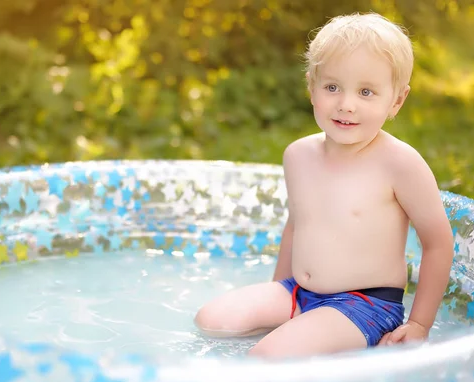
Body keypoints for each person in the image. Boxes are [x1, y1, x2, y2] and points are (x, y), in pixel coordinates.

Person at [194, 12, 454, 359]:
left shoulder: (399, 164)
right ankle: (303, 331)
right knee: (211, 321)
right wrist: (277, 294)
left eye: (366, 92)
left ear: (396, 101)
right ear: (311, 87)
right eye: (332, 87)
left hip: (365, 303)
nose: (346, 104)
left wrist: (419, 324)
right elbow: (297, 226)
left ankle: (334, 344)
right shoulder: (298, 155)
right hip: (299, 291)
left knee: (265, 358)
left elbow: (438, 242)